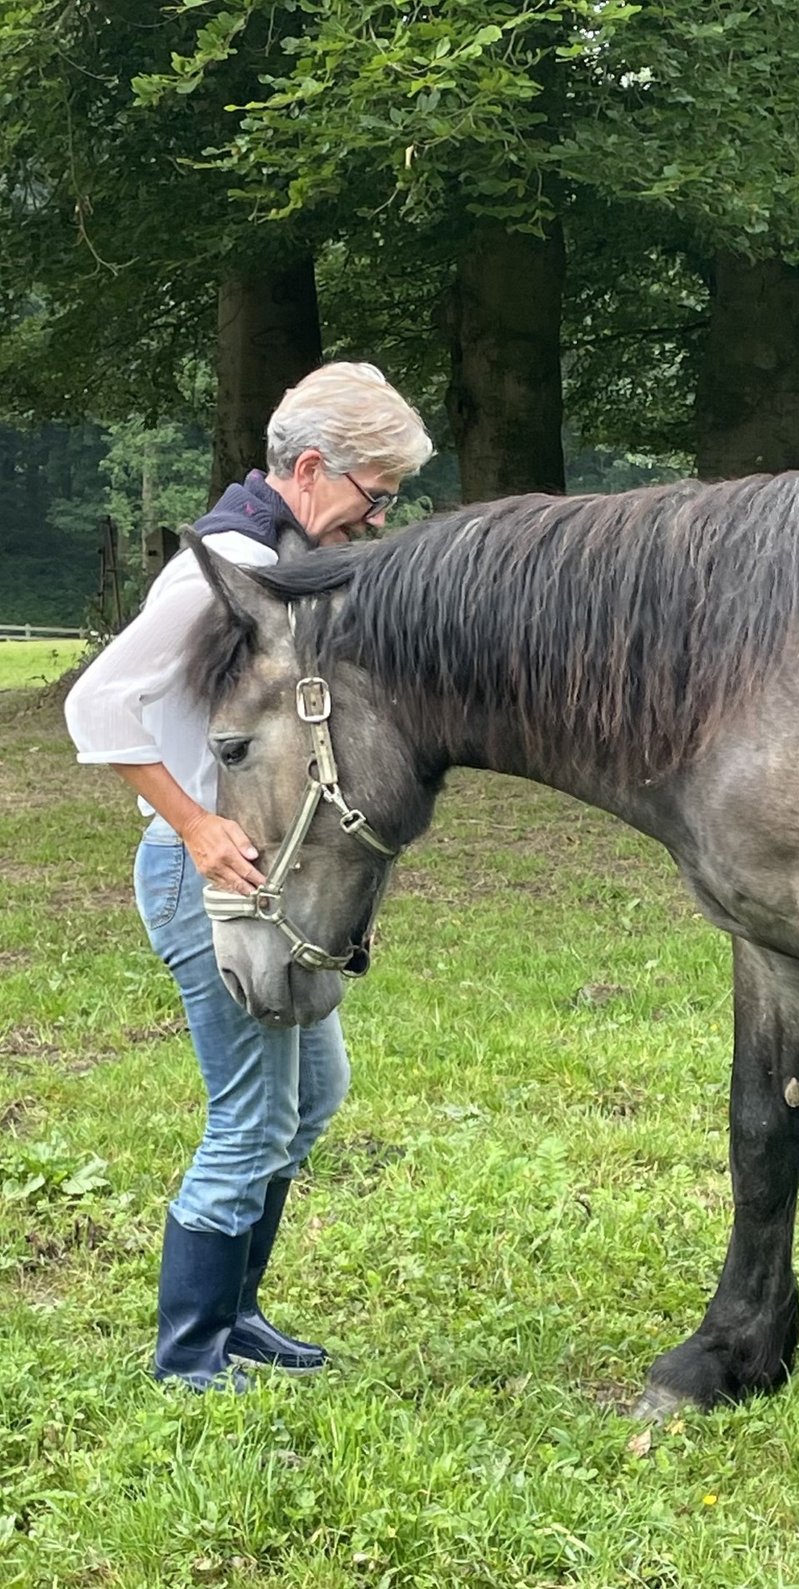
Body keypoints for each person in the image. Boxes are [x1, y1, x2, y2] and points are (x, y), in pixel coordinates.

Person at [65, 362, 433, 1390]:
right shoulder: (217, 566)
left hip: (269, 866)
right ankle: (191, 1353)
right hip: (208, 874)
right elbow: (96, 706)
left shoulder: (276, 556)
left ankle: (238, 1313)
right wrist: (193, 828)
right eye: (376, 495)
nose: (374, 520)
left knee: (314, 1094)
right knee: (251, 1115)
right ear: (313, 468)